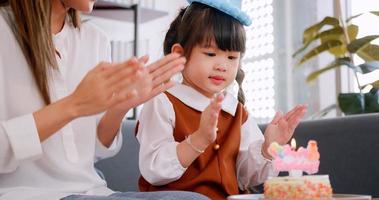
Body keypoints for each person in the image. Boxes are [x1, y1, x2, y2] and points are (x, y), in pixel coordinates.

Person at [0, 0, 209, 200]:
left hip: (93, 191)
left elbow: (96, 150)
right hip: (26, 193)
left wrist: (121, 105)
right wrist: (74, 105)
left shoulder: (94, 39)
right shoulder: (4, 31)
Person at [135, 0, 308, 199]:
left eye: (232, 57)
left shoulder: (236, 111)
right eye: (210, 54)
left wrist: (269, 148)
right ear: (179, 55)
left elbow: (248, 177)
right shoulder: (163, 102)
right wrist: (198, 139)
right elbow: (154, 169)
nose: (222, 66)